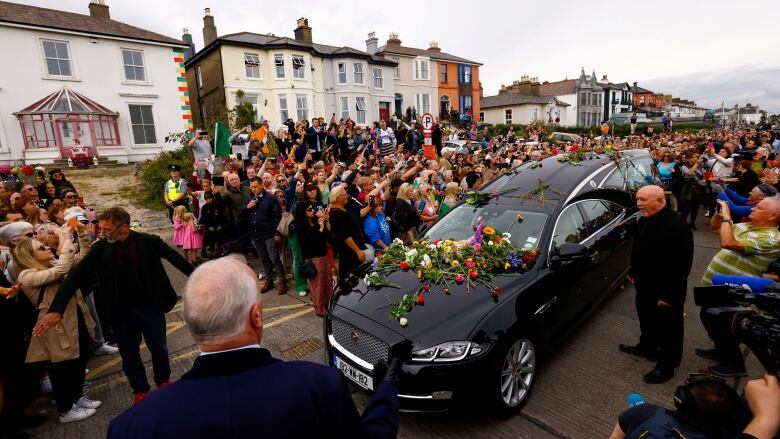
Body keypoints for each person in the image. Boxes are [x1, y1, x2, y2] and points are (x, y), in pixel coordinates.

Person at [107, 255, 402, 439]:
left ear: (191, 323)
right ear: (256, 316)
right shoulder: (320, 385)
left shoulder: (131, 427)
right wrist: (387, 388)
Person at [34, 207, 194, 405]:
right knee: (128, 352)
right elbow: (74, 277)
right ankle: (140, 389)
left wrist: (203, 277)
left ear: (124, 227)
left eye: (107, 229)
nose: (102, 233)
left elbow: (177, 260)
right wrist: (57, 309)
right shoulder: (100, 249)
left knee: (158, 347)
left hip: (150, 305)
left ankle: (163, 381)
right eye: (101, 228)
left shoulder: (148, 241)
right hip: (120, 310)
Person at [15, 225, 100, 423]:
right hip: (55, 328)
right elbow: (62, 269)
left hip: (74, 318)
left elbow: (81, 261)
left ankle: (77, 398)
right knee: (62, 368)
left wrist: (82, 236)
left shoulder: (53, 262)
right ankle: (65, 409)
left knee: (80, 359)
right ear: (29, 256)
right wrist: (63, 236)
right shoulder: (26, 276)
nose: (46, 248)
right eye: (41, 248)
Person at [697, 197, 780, 377]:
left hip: (736, 288)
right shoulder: (747, 226)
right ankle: (721, 350)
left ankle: (734, 363)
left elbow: (728, 243)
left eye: (759, 208)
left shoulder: (772, 238)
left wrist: (727, 216)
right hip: (716, 284)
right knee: (708, 316)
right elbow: (716, 229)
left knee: (724, 324)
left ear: (772, 216)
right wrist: (719, 216)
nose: (752, 209)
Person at [620, 185, 693, 384]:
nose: (639, 204)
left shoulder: (677, 227)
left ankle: (666, 366)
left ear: (660, 201)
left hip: (666, 289)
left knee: (669, 328)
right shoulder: (646, 218)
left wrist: (669, 296)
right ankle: (647, 347)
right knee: (645, 317)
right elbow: (639, 246)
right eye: (637, 199)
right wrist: (633, 271)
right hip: (645, 283)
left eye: (643, 199)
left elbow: (681, 267)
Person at [242, 177, 288, 294]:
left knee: (274, 258)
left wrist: (277, 233)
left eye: (255, 186)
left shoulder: (271, 198)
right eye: (251, 187)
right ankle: (269, 280)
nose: (253, 189)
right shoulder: (249, 198)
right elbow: (241, 214)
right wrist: (248, 207)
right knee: (264, 259)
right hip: (255, 235)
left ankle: (282, 281)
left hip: (269, 235)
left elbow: (277, 217)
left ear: (262, 185)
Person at [293, 202, 332, 316]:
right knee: (317, 285)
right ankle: (319, 309)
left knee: (327, 282)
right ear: (302, 213)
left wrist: (326, 220)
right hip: (314, 258)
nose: (313, 211)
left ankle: (328, 305)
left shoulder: (315, 221)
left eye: (312, 209)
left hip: (323, 255)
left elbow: (327, 233)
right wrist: (320, 228)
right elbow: (311, 242)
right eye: (309, 210)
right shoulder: (300, 227)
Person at [328, 185, 367, 281]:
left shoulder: (345, 207)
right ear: (337, 198)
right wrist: (358, 251)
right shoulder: (336, 214)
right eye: (344, 195)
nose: (347, 196)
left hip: (354, 249)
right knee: (351, 277)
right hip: (349, 252)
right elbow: (345, 236)